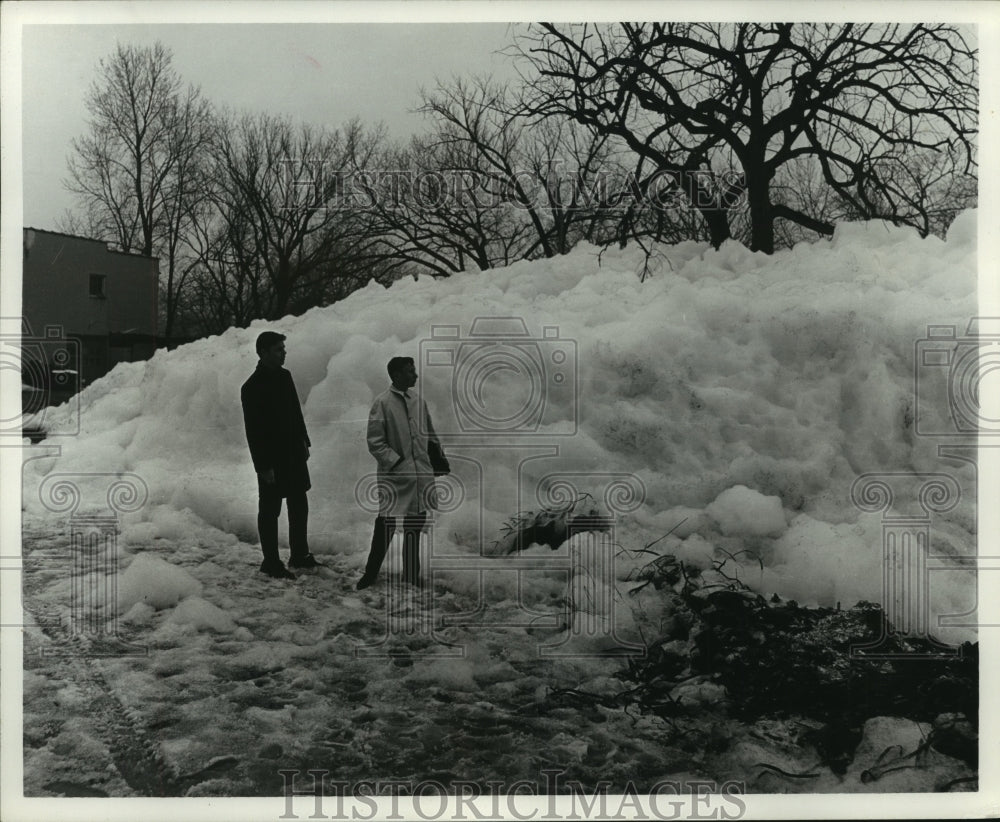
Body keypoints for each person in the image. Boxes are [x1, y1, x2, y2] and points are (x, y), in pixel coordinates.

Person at [357, 356, 447, 590]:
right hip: (395, 476)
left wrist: (438, 458)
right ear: (396, 375)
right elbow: (375, 442)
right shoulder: (382, 403)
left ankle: (411, 575)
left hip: (420, 474)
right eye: (409, 372)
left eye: (413, 371)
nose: (415, 375)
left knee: (415, 524)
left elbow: (429, 432)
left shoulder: (418, 401)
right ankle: (370, 573)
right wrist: (397, 464)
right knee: (385, 524)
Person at [241, 331, 319, 579]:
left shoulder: (285, 377)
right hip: (272, 459)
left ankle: (299, 554)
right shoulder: (251, 387)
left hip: (294, 452)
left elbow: (296, 412)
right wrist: (262, 466)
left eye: (283, 348)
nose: (283, 353)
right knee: (270, 509)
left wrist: (304, 441)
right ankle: (271, 562)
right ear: (263, 353)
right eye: (278, 349)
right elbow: (253, 431)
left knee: (299, 502)